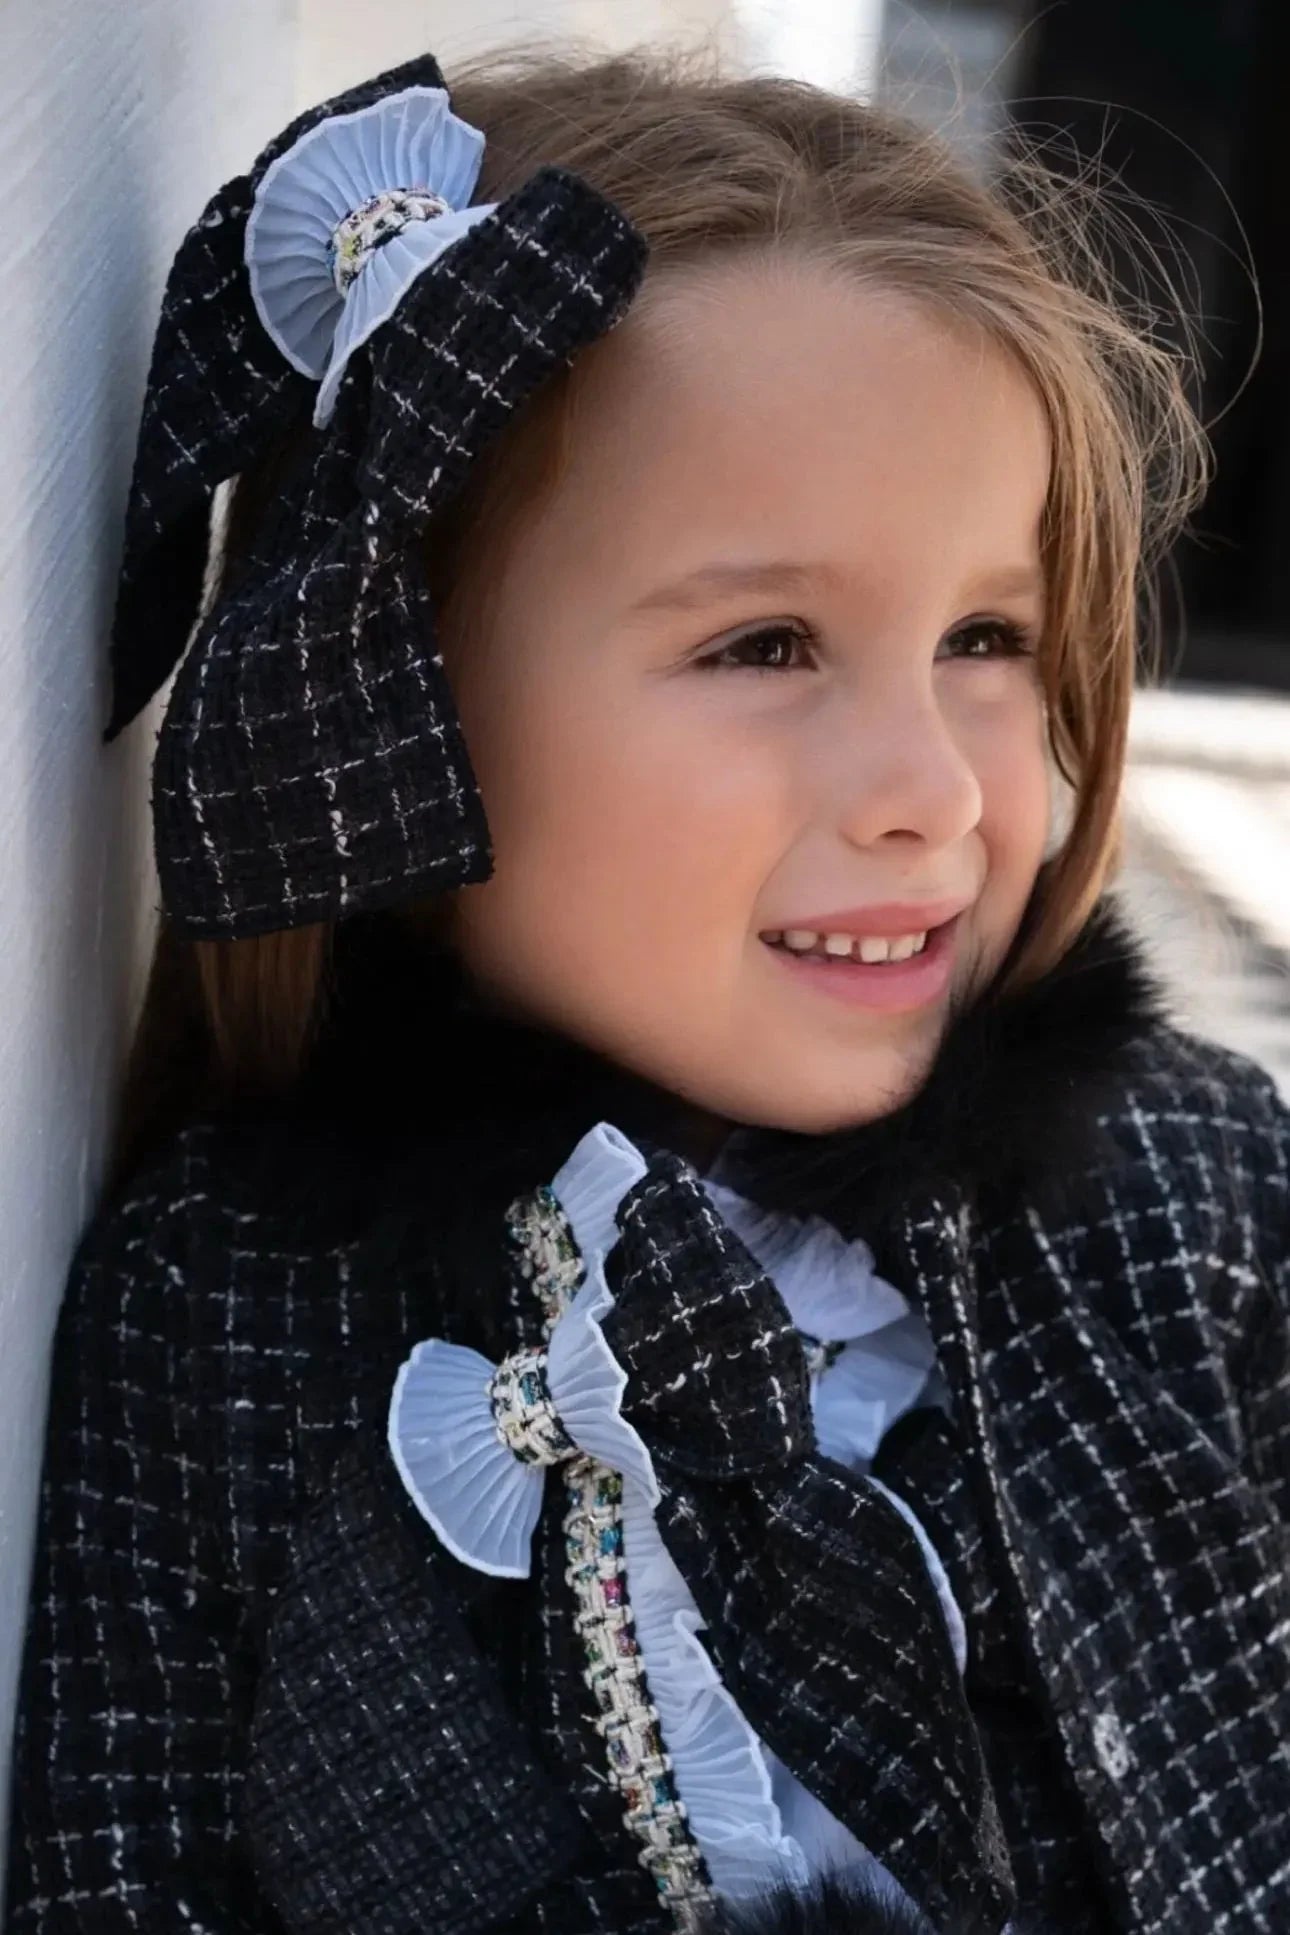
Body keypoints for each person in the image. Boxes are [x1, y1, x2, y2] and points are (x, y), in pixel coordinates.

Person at [4, 41, 1288, 1935]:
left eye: (985, 639)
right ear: (394, 702)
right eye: (766, 643)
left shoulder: (1202, 1198)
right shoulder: (227, 1312)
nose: (934, 791)